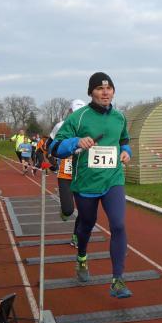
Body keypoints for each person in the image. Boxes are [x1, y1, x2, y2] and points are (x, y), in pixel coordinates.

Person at [50, 73, 133, 299]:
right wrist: (75, 142)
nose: (105, 92)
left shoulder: (119, 117)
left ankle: (117, 280)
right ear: (91, 92)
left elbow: (124, 140)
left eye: (109, 88)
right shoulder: (78, 118)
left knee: (118, 225)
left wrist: (126, 152)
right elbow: (55, 148)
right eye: (99, 89)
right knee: (86, 224)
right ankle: (82, 257)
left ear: (113, 91)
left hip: (113, 180)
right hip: (86, 182)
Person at [49, 99, 87, 247]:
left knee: (85, 210)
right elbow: (50, 146)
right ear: (70, 112)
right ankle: (64, 212)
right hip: (65, 172)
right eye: (75, 112)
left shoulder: (89, 125)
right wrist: (54, 161)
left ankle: (76, 236)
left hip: (83, 172)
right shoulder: (60, 125)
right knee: (68, 210)